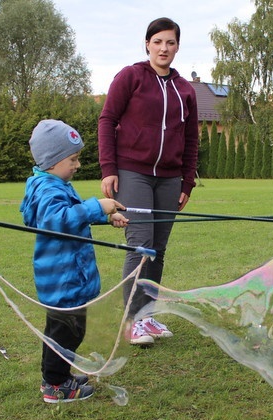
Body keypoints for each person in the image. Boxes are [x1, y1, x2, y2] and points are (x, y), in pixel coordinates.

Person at [98, 17, 199, 346]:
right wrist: (109, 168)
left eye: (170, 42)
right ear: (147, 44)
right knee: (139, 245)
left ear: (177, 47)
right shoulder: (131, 77)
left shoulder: (185, 90)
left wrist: (187, 182)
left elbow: (191, 141)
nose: (164, 48)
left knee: (157, 250)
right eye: (157, 42)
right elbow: (107, 119)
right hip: (133, 172)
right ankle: (133, 321)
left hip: (169, 179)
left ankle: (148, 316)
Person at [21, 119, 128, 403]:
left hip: (67, 277)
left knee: (68, 331)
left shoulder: (54, 184)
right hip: (63, 279)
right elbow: (58, 221)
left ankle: (60, 377)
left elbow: (73, 217)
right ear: (53, 161)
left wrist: (104, 215)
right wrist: (96, 206)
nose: (78, 164)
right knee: (64, 334)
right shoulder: (49, 190)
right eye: (73, 159)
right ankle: (54, 385)